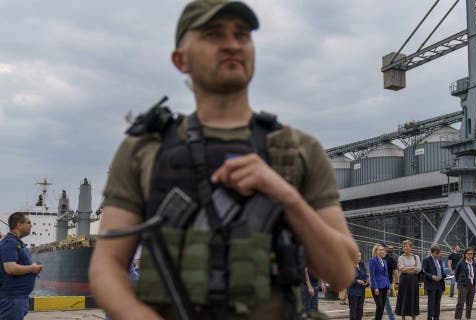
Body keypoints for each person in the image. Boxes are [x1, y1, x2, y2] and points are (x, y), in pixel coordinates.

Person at [87, 1, 359, 319]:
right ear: (180, 59)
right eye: (214, 34)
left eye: (242, 34)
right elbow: (107, 265)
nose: (232, 44)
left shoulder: (300, 149)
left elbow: (341, 273)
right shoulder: (143, 149)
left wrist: (288, 198)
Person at [0, 212, 43, 320]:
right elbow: (10, 268)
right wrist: (32, 268)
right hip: (12, 298)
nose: (31, 225)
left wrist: (32, 266)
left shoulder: (16, 242)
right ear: (19, 225)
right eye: (28, 223)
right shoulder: (10, 243)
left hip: (19, 298)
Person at [395, 240, 421, 319]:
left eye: (407, 246)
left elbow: (419, 268)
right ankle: (403, 318)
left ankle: (414, 317)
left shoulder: (416, 257)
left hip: (414, 281)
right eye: (404, 246)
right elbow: (402, 269)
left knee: (413, 298)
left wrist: (408, 269)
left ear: (411, 247)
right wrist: (413, 268)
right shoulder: (400, 257)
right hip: (404, 281)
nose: (405, 248)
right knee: (403, 299)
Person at [423, 245, 445, 320]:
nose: (439, 255)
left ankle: (436, 317)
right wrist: (431, 276)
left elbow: (441, 271)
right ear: (435, 252)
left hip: (439, 284)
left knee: (437, 303)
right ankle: (429, 317)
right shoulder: (426, 259)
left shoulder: (439, 260)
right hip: (431, 284)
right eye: (439, 253)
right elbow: (424, 271)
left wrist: (445, 275)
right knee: (431, 303)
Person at [370, 244, 391, 320]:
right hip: (377, 287)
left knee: (382, 307)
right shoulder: (373, 261)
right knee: (379, 306)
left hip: (385, 286)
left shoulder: (384, 261)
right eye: (380, 250)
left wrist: (389, 287)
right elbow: (373, 276)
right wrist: (375, 287)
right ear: (376, 251)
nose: (382, 251)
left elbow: (386, 275)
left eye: (383, 250)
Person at [454, 247, 476, 320]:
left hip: (472, 284)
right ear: (465, 254)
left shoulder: (474, 263)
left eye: (471, 254)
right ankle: (457, 318)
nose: (470, 255)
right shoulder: (461, 263)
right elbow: (456, 274)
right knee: (461, 303)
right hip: (463, 285)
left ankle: (468, 317)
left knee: (470, 303)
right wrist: (460, 282)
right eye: (468, 254)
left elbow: (474, 274)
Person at [348, 251, 368, 320]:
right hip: (353, 292)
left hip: (362, 291)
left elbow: (365, 275)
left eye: (359, 256)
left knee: (360, 311)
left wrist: (366, 282)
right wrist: (356, 281)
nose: (358, 258)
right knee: (353, 312)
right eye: (356, 256)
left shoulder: (362, 264)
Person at [382, 243, 398, 320]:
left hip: (387, 283)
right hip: (378, 283)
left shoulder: (391, 259)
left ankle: (391, 317)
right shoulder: (377, 258)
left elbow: (395, 271)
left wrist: (396, 283)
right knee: (380, 302)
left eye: (382, 249)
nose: (381, 251)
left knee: (385, 301)